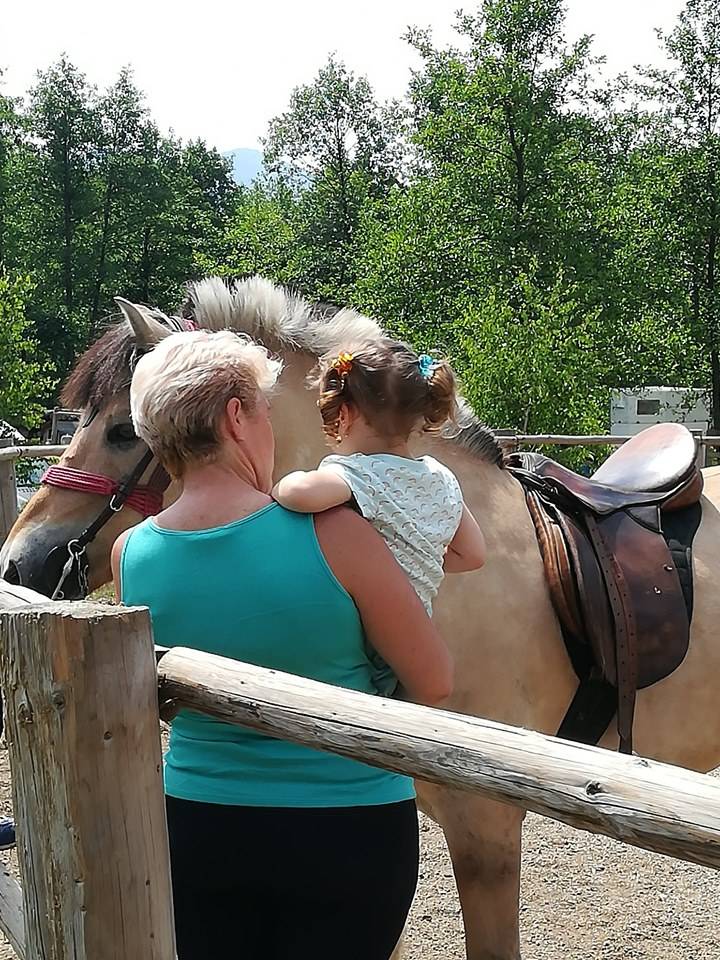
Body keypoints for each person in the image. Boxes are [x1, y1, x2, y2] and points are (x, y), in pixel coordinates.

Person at [111, 329, 453, 960]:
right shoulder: (334, 532)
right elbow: (433, 679)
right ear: (235, 418)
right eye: (264, 411)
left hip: (197, 820)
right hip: (348, 825)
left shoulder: (131, 553)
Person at [273, 340, 486, 692]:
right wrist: (418, 557)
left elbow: (298, 493)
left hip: (364, 636)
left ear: (345, 415)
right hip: (414, 635)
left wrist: (280, 483)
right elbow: (473, 554)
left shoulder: (360, 475)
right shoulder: (441, 477)